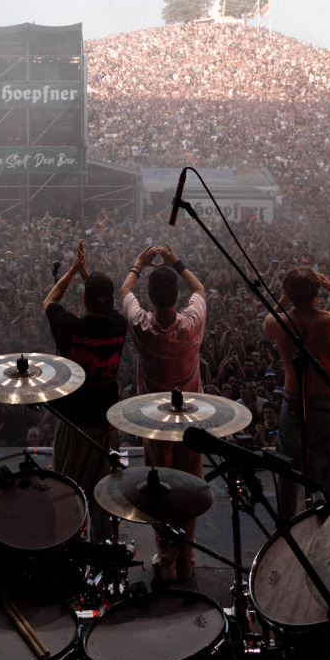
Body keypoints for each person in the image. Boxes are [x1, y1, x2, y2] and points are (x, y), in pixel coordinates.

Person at [120, 243, 206, 583]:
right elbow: (199, 289)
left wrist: (138, 263)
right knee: (190, 488)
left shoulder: (142, 325)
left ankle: (167, 559)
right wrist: (177, 262)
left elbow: (125, 290)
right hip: (191, 421)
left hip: (155, 423)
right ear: (175, 296)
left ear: (151, 298)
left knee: (160, 489)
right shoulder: (192, 324)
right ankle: (187, 559)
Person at [42, 240, 128, 543]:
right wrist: (87, 277)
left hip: (75, 426)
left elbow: (49, 302)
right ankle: (102, 559)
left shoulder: (71, 328)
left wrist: (73, 272)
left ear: (84, 297)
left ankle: (68, 555)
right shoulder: (119, 325)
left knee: (68, 496)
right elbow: (104, 307)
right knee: (102, 501)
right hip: (107, 426)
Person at [265, 266, 330, 519]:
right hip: (329, 406)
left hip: (294, 402)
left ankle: (286, 525)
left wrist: (285, 295)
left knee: (288, 468)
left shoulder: (277, 323)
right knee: (327, 472)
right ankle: (324, 521)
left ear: (288, 292)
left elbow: (269, 321)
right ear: (317, 292)